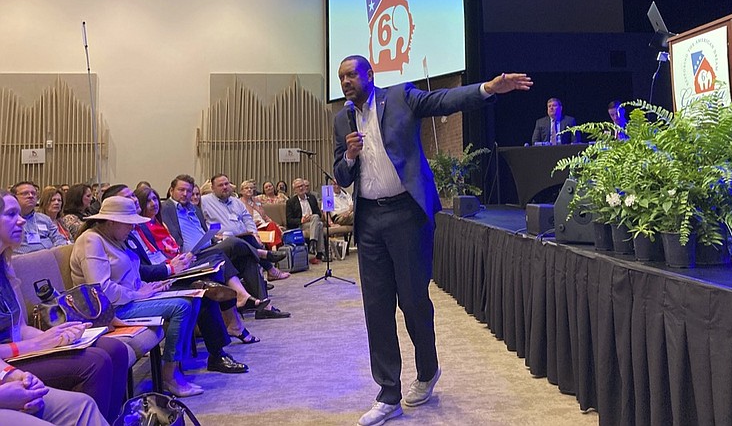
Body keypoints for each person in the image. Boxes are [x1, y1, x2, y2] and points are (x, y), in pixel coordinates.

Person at [332, 54, 532, 426]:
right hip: (370, 220)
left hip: (406, 214)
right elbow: (342, 175)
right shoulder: (341, 119)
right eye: (341, 77)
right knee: (376, 308)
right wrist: (349, 155)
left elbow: (444, 100)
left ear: (369, 76)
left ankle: (427, 371)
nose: (345, 82)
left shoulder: (401, 97)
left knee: (413, 302)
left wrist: (488, 88)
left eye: (351, 75)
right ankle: (387, 393)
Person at [0, 189, 127, 422]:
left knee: (114, 349)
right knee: (95, 362)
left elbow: (19, 327)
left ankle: (109, 419)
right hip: (10, 358)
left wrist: (59, 337)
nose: (20, 220)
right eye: (10, 214)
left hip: (17, 351)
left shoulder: (6, 266)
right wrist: (37, 343)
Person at [70, 196, 204, 397]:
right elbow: (101, 290)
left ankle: (175, 364)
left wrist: (149, 287)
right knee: (181, 307)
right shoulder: (91, 240)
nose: (132, 228)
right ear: (112, 221)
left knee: (194, 298)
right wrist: (137, 292)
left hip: (129, 300)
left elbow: (127, 277)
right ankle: (170, 374)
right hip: (110, 310)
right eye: (129, 223)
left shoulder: (114, 238)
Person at [134, 186, 261, 344]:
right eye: (148, 201)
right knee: (212, 276)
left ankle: (235, 322)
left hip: (180, 262)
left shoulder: (159, 223)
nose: (154, 203)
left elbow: (169, 250)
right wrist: (173, 264)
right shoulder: (140, 228)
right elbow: (153, 259)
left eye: (155, 199)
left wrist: (182, 259)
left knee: (221, 262)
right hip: (167, 272)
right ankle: (235, 319)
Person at [161, 175, 290, 319]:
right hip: (191, 258)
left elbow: (204, 232)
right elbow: (169, 238)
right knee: (233, 241)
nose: (185, 194)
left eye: (188, 191)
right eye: (181, 190)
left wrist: (215, 237)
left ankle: (265, 308)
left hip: (209, 248)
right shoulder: (167, 208)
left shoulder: (194, 209)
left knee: (247, 260)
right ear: (171, 190)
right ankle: (263, 256)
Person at [201, 174, 290, 282]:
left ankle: (263, 277)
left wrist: (254, 233)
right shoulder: (204, 201)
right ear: (213, 188)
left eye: (226, 184)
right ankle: (269, 265)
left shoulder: (236, 201)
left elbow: (247, 219)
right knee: (245, 243)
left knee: (250, 239)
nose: (224, 187)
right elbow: (199, 221)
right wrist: (213, 236)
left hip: (243, 236)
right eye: (220, 185)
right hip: (223, 239)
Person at [10, 183, 68, 255]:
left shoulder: (45, 219)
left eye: (33, 193)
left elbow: (59, 239)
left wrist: (58, 251)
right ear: (13, 198)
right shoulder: (8, 220)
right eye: (25, 193)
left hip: (50, 259)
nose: (31, 196)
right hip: (22, 261)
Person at [286, 177, 327, 263]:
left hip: (313, 222)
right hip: (301, 225)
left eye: (302, 186)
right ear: (295, 190)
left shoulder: (311, 198)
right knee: (319, 224)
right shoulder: (291, 202)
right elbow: (289, 220)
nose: (301, 188)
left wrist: (311, 216)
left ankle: (313, 243)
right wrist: (301, 220)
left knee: (317, 220)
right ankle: (319, 251)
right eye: (298, 187)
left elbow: (318, 213)